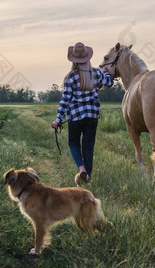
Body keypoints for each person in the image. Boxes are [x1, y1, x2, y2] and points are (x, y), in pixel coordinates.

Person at [51, 42, 114, 185]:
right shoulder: (97, 72)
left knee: (73, 144)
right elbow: (109, 82)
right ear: (88, 57)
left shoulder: (70, 77)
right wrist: (104, 72)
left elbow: (65, 100)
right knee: (88, 147)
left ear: (73, 59)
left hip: (75, 116)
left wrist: (58, 119)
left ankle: (81, 169)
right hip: (92, 115)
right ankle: (88, 178)